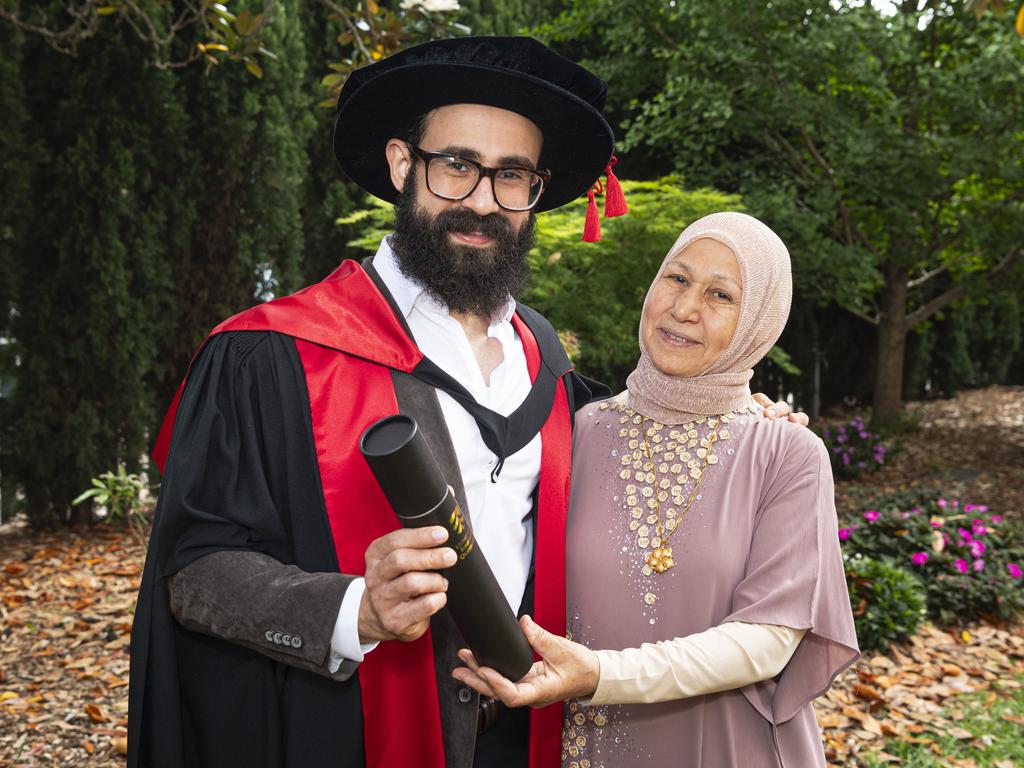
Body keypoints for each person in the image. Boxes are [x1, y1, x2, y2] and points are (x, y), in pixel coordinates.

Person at [127, 37, 807, 768]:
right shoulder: (275, 354)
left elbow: (650, 455)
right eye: (456, 165)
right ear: (401, 164)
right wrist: (353, 608)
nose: (483, 201)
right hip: (345, 735)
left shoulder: (547, 365)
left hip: (532, 736)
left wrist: (741, 419)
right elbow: (195, 571)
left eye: (511, 175)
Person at [453, 212, 859, 767]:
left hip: (728, 746)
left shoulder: (787, 453)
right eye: (677, 278)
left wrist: (601, 675)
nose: (686, 308)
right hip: (585, 746)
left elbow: (768, 639)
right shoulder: (574, 430)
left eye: (721, 295)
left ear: (758, 323)